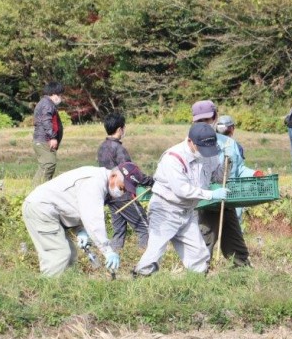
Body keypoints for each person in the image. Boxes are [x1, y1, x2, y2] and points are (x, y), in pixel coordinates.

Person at [134, 123, 229, 276]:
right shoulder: (173, 158)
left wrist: (226, 163)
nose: (206, 153)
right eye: (202, 149)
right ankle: (140, 280)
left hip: (188, 211)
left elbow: (218, 176)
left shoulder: (208, 154)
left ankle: (198, 284)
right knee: (155, 251)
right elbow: (182, 190)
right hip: (165, 209)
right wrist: (211, 195)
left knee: (198, 253)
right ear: (191, 141)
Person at [22, 162, 145, 276]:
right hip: (41, 209)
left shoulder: (99, 180)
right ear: (113, 176)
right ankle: (48, 292)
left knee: (70, 255)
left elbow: (74, 205)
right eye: (122, 187)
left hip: (48, 210)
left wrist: (80, 230)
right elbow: (93, 220)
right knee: (59, 255)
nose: (121, 192)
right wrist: (108, 251)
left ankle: (62, 290)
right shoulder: (94, 182)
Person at [191, 101, 253, 267]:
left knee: (236, 246)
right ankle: (197, 280)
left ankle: (243, 277)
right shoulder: (190, 145)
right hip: (207, 203)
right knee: (205, 243)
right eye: (199, 121)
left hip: (228, 200)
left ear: (215, 118)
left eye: (207, 119)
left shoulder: (228, 143)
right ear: (193, 121)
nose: (204, 124)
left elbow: (239, 169)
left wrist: (255, 174)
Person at [97, 113, 152, 251]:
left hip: (110, 195)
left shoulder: (102, 147)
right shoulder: (119, 149)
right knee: (145, 227)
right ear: (120, 129)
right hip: (124, 195)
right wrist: (151, 181)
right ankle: (145, 260)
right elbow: (130, 173)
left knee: (119, 231)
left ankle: (114, 260)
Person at [32, 82, 65, 187]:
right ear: (54, 94)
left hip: (43, 140)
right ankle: (36, 190)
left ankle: (43, 189)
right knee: (48, 164)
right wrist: (53, 137)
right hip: (44, 140)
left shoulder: (45, 103)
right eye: (60, 95)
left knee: (47, 164)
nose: (61, 97)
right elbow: (47, 121)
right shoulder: (47, 104)